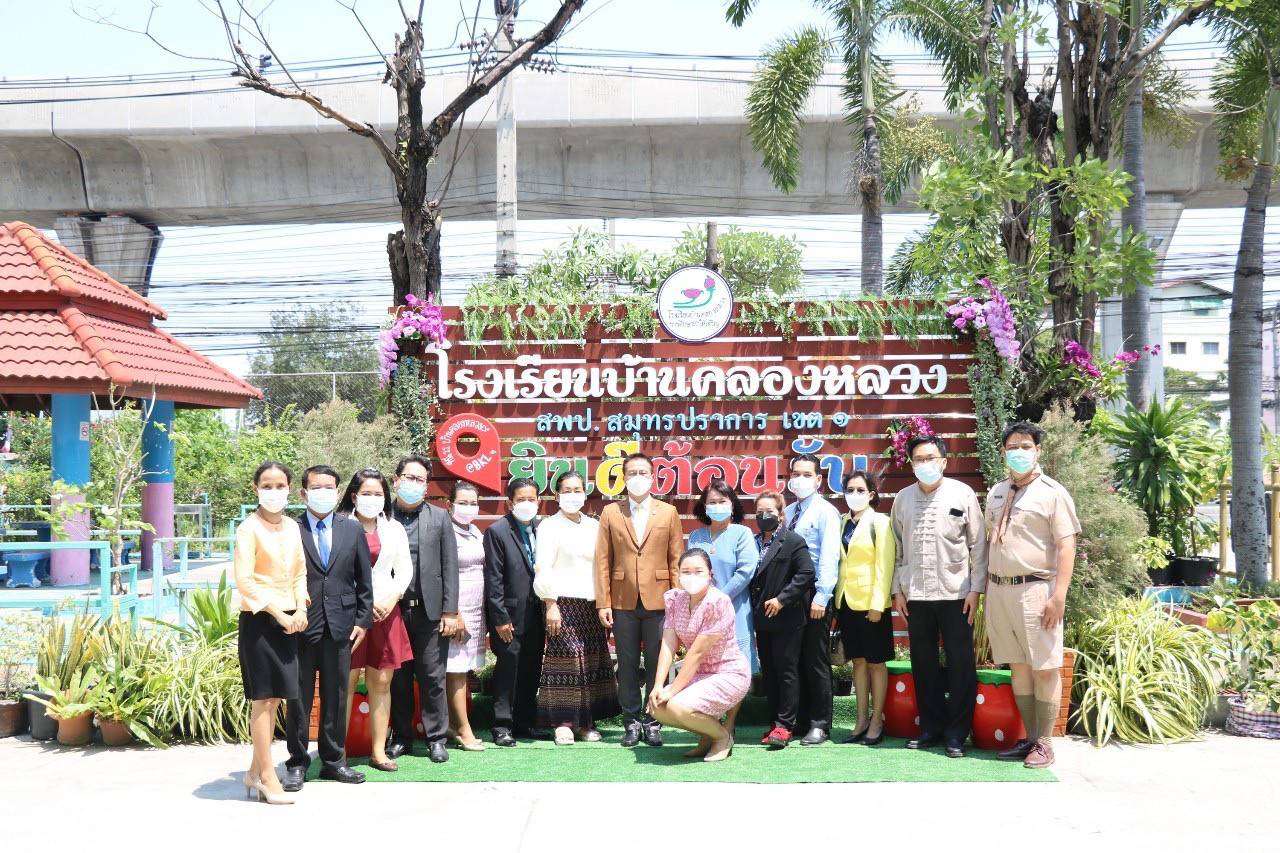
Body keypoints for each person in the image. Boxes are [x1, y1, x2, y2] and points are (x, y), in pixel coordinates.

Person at [984, 421, 1079, 769]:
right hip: (1000, 589)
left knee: (1045, 667)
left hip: (1036, 589)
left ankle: (1045, 743)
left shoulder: (1052, 493)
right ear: (1003, 452)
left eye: (1026, 446)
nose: (1019, 453)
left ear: (1038, 451)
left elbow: (1067, 545)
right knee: (1019, 666)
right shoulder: (997, 492)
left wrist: (1059, 595)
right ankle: (1029, 738)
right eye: (1013, 447)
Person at [890, 436, 988, 759]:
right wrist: (897, 590)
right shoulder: (903, 499)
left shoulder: (963, 493)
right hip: (916, 595)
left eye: (931, 457)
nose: (925, 464)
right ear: (911, 464)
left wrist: (975, 589)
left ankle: (957, 734)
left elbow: (978, 545)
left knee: (961, 664)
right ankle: (930, 728)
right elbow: (896, 549)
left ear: (944, 461)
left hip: (957, 593)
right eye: (919, 459)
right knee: (923, 664)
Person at [282, 465, 373, 792]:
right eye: (316, 487)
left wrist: (362, 620)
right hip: (301, 626)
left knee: (335, 696)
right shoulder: (290, 530)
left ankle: (334, 761)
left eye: (329, 488)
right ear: (303, 493)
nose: (323, 493)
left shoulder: (352, 529)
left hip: (341, 626)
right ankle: (297, 762)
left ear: (337, 492)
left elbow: (364, 581)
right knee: (299, 698)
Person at [594, 452, 684, 748]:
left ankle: (654, 720)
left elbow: (675, 560)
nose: (637, 478)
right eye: (631, 473)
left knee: (660, 663)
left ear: (652, 477)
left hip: (661, 601)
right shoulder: (611, 512)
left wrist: (678, 601)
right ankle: (631, 722)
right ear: (623, 478)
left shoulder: (668, 512)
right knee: (628, 663)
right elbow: (603, 560)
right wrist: (603, 602)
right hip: (623, 601)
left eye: (643, 472)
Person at [234, 461, 309, 805]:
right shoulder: (248, 529)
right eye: (267, 485)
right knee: (263, 700)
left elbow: (299, 573)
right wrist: (278, 613)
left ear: (289, 488)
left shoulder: (292, 527)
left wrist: (301, 608)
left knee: (277, 698)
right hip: (261, 622)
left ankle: (253, 771)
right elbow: (245, 580)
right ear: (256, 489)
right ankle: (266, 777)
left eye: (280, 485)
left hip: (290, 620)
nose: (274, 491)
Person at [533, 471, 619, 744]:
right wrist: (550, 604)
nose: (572, 495)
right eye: (567, 490)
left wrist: (605, 602)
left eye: (577, 490)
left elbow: (603, 566)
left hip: (592, 604)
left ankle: (585, 723)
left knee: (590, 661)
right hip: (562, 603)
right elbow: (543, 567)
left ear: (585, 492)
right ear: (557, 495)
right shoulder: (549, 526)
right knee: (567, 661)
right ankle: (562, 723)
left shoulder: (593, 526)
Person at [388, 453, 461, 765]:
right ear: (396, 480)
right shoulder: (383, 516)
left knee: (432, 677)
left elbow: (450, 566)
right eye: (409, 477)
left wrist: (450, 611)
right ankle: (401, 737)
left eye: (420, 479)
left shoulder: (440, 517)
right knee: (398, 678)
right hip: (392, 612)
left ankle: (436, 739)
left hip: (430, 613)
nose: (414, 484)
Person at [340, 469, 414, 772]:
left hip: (386, 610)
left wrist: (392, 597)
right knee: (345, 682)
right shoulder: (340, 525)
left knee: (381, 683)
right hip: (349, 614)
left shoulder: (394, 528)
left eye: (378, 494)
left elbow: (404, 569)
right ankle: (337, 753)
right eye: (366, 493)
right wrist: (362, 604)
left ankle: (378, 751)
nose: (372, 499)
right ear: (354, 495)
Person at [648, 548, 751, 762]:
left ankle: (722, 737)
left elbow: (696, 654)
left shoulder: (718, 602)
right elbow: (668, 644)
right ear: (678, 574)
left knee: (676, 705)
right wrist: (658, 685)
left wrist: (672, 690)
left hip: (728, 673)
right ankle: (707, 735)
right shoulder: (675, 599)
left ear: (710, 574)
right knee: (657, 708)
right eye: (686, 572)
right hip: (699, 675)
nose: (691, 576)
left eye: (698, 571)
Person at [687, 478, 759, 735]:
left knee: (735, 666)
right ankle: (710, 725)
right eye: (712, 502)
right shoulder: (696, 536)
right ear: (704, 506)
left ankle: (730, 724)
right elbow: (691, 570)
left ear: (732, 504)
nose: (717, 506)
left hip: (735, 610)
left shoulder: (742, 533)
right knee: (708, 666)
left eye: (722, 501)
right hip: (702, 613)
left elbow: (746, 571)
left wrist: (719, 598)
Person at [833, 470, 896, 746]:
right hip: (846, 602)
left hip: (872, 604)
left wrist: (878, 603)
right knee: (857, 662)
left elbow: (885, 565)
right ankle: (860, 721)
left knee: (876, 663)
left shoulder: (880, 522)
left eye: (860, 490)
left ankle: (877, 720)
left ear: (871, 494)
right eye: (850, 490)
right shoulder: (841, 522)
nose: (854, 495)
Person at [783, 453, 842, 746]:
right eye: (796, 474)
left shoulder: (825, 512)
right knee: (794, 659)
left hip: (815, 594)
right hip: (790, 593)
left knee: (815, 660)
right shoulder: (787, 511)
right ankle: (801, 720)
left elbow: (830, 555)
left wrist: (822, 596)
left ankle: (820, 724)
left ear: (819, 480)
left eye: (807, 474)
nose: (800, 479)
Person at [749, 489, 815, 749]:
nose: (764, 516)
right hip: (761, 619)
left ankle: (786, 725)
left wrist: (782, 599)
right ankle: (774, 722)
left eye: (770, 511)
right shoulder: (753, 542)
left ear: (781, 514)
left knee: (787, 671)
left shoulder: (793, 541)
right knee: (770, 672)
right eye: (760, 512)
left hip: (787, 618)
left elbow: (806, 573)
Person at [483, 477, 546, 746]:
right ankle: (502, 725)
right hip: (508, 616)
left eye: (531, 499)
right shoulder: (497, 531)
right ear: (510, 502)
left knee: (531, 668)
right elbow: (493, 579)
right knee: (508, 668)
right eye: (521, 499)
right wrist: (499, 618)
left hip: (537, 614)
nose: (527, 503)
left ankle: (524, 722)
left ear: (539, 502)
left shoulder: (542, 529)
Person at [446, 481, 487, 751]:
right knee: (456, 671)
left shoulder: (475, 531)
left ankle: (452, 723)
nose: (468, 508)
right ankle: (463, 730)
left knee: (463, 669)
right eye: (463, 502)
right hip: (456, 610)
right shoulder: (446, 532)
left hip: (476, 609)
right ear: (450, 504)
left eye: (473, 503)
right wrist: (454, 611)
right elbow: (443, 574)